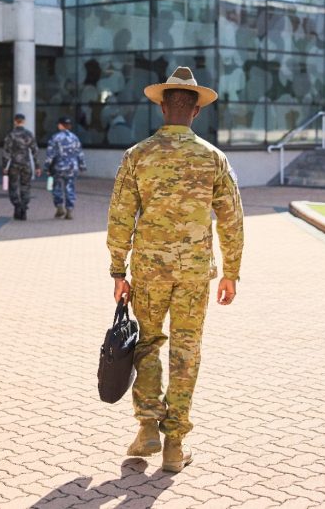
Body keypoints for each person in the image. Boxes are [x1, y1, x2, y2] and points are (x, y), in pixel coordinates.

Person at [106, 66, 244, 474]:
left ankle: (148, 426)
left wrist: (118, 271)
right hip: (194, 273)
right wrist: (231, 273)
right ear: (196, 111)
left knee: (148, 344)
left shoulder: (137, 156)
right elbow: (232, 220)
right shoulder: (213, 158)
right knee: (186, 352)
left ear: (163, 106)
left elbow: (119, 218)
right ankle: (174, 444)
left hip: (148, 269)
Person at [44, 116, 86, 220]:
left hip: (59, 167)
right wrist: (82, 166)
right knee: (70, 187)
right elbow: (80, 153)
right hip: (72, 167)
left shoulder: (55, 137)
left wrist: (47, 167)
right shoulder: (75, 138)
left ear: (60, 125)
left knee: (57, 188)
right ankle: (69, 210)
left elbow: (50, 154)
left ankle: (59, 207)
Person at [2, 113, 41, 220]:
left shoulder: (11, 135)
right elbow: (35, 151)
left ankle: (17, 206)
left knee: (13, 187)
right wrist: (37, 166)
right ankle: (23, 208)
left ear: (15, 121)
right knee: (25, 186)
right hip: (26, 165)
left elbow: (6, 152)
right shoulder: (29, 134)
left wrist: (5, 166)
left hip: (14, 165)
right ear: (23, 121)